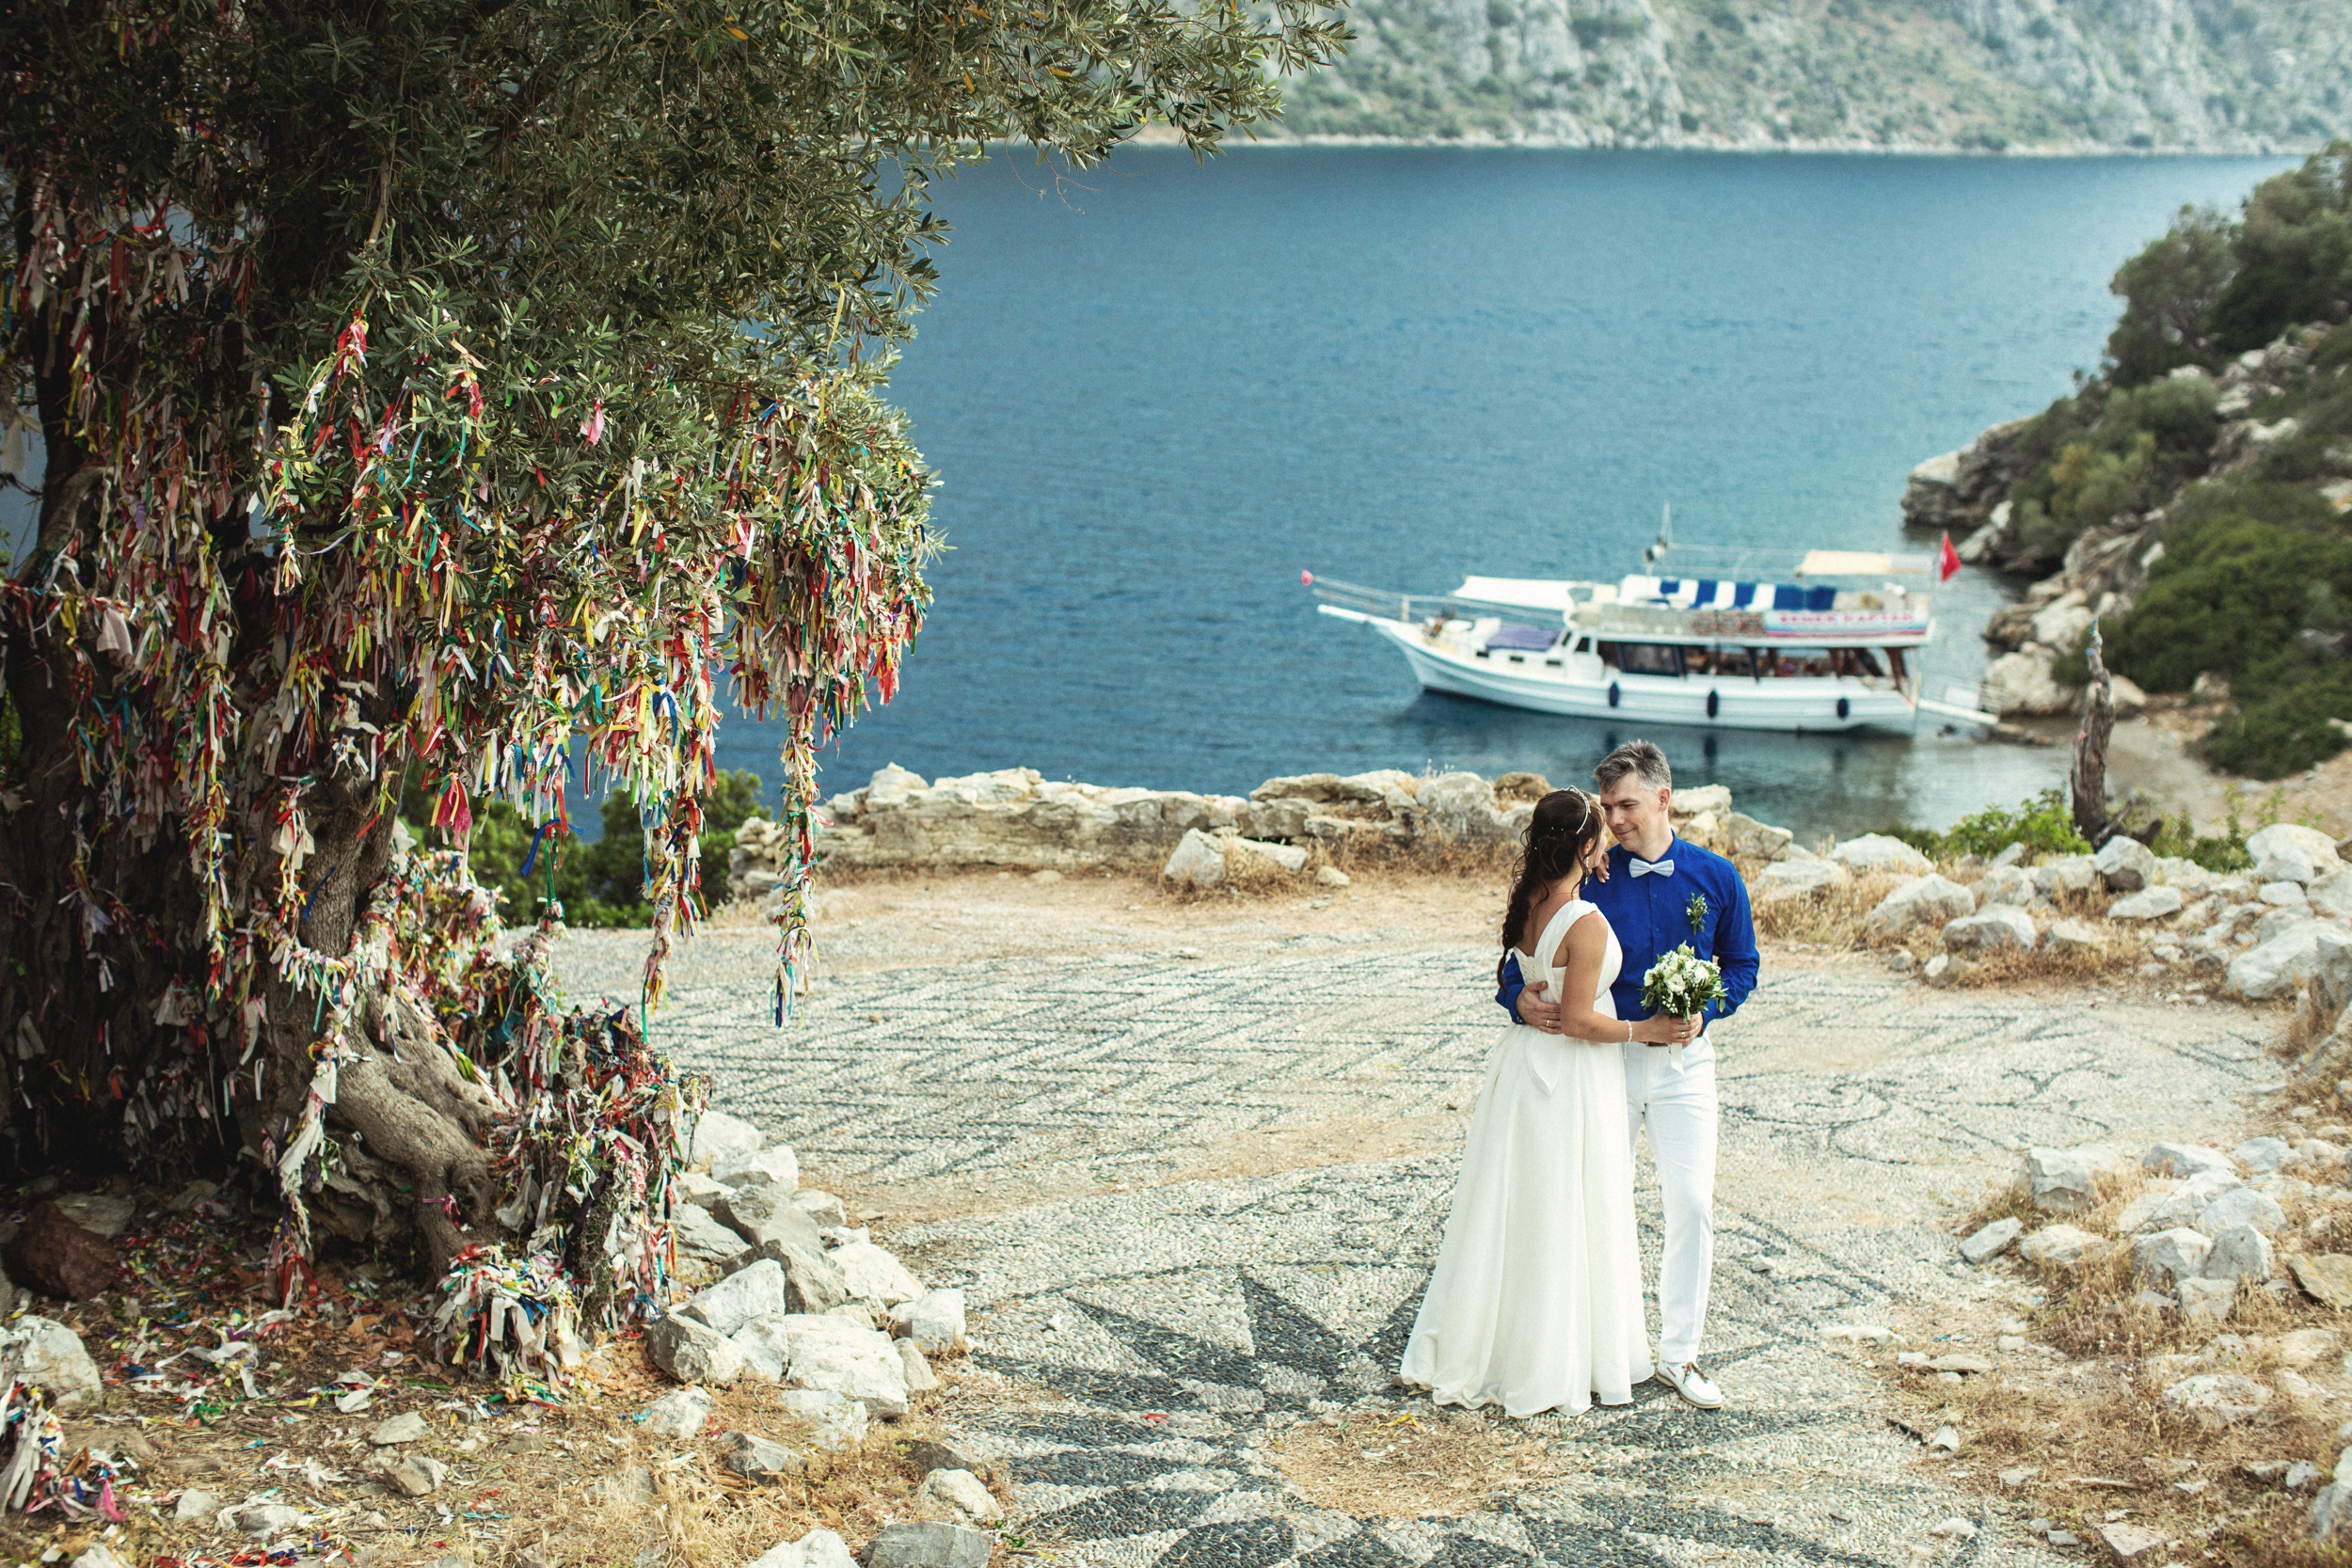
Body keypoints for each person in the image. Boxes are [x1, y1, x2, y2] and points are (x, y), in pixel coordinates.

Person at [1398, 789, 1687, 1417]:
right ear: (1584, 845)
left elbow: (1520, 965)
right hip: (1571, 1074)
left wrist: (1583, 869)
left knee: (1513, 1205)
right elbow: (1580, 1020)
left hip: (1523, 1065)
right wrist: (1649, 1030)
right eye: (1599, 832)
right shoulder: (1585, 924)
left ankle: (1495, 1341)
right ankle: (1555, 1357)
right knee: (1565, 1204)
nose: (1611, 835)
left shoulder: (1530, 897)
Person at [1498, 741, 1757, 1411]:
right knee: (1592, 1201)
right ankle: (1587, 1347)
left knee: (1693, 1204)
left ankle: (1681, 1353)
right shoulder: (1587, 875)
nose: (1613, 819)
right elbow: (1526, 951)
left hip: (1683, 1065)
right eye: (1607, 807)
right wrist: (1516, 999)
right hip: (1600, 1063)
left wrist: (1710, 1010)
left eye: (1626, 805)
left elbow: (1742, 964)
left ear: (1664, 798)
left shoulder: (1717, 877)